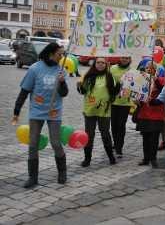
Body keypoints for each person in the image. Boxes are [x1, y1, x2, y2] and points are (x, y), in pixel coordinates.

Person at [12, 43, 69, 188]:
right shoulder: (35, 68)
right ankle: (33, 177)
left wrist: (62, 83)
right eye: (59, 54)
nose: (61, 57)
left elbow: (64, 93)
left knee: (56, 143)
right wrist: (16, 111)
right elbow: (24, 91)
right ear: (51, 53)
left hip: (54, 112)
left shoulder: (60, 70)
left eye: (63, 54)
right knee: (33, 144)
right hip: (37, 112)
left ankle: (62, 172)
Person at [77, 57, 118, 167]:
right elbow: (83, 91)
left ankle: (111, 157)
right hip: (90, 110)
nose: (100, 64)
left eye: (103, 63)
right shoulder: (88, 75)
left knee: (105, 134)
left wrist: (119, 85)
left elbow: (114, 91)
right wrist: (79, 86)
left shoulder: (110, 76)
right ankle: (87, 159)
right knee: (89, 135)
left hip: (104, 111)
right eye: (98, 62)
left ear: (106, 65)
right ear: (95, 64)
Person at [135, 62, 165, 168]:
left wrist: (155, 79)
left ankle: (153, 158)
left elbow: (163, 91)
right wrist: (136, 100)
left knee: (154, 138)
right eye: (147, 68)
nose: (149, 69)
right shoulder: (141, 81)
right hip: (144, 113)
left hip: (156, 114)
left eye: (152, 68)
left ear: (156, 70)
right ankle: (146, 158)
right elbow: (137, 95)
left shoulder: (160, 80)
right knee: (146, 138)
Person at [110, 57, 133, 158]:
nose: (124, 59)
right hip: (114, 101)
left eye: (127, 58)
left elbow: (136, 85)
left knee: (121, 125)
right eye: (123, 57)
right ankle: (115, 143)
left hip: (125, 102)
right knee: (114, 125)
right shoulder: (112, 68)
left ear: (129, 59)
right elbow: (108, 83)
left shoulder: (133, 70)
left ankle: (119, 148)